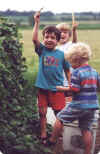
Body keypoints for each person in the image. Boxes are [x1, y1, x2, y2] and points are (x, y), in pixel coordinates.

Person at [46, 42, 100, 154]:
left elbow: (74, 89)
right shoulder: (95, 72)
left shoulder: (76, 72)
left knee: (60, 118)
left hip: (79, 104)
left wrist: (62, 89)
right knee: (86, 129)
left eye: (71, 62)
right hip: (92, 106)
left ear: (76, 60)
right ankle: (88, 152)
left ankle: (52, 140)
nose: (71, 65)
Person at [32, 11, 71, 144]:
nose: (49, 39)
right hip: (42, 88)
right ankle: (43, 134)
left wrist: (70, 85)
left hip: (57, 89)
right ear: (44, 39)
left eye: (52, 38)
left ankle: (59, 133)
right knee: (42, 113)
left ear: (58, 40)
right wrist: (36, 22)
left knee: (59, 114)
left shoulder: (62, 55)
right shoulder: (42, 51)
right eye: (46, 37)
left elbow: (67, 71)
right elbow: (34, 40)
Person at [56, 22, 78, 102]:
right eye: (60, 32)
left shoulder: (70, 45)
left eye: (65, 32)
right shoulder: (55, 48)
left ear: (69, 35)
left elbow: (75, 42)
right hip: (59, 81)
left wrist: (74, 30)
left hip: (70, 80)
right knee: (61, 102)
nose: (62, 34)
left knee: (70, 100)